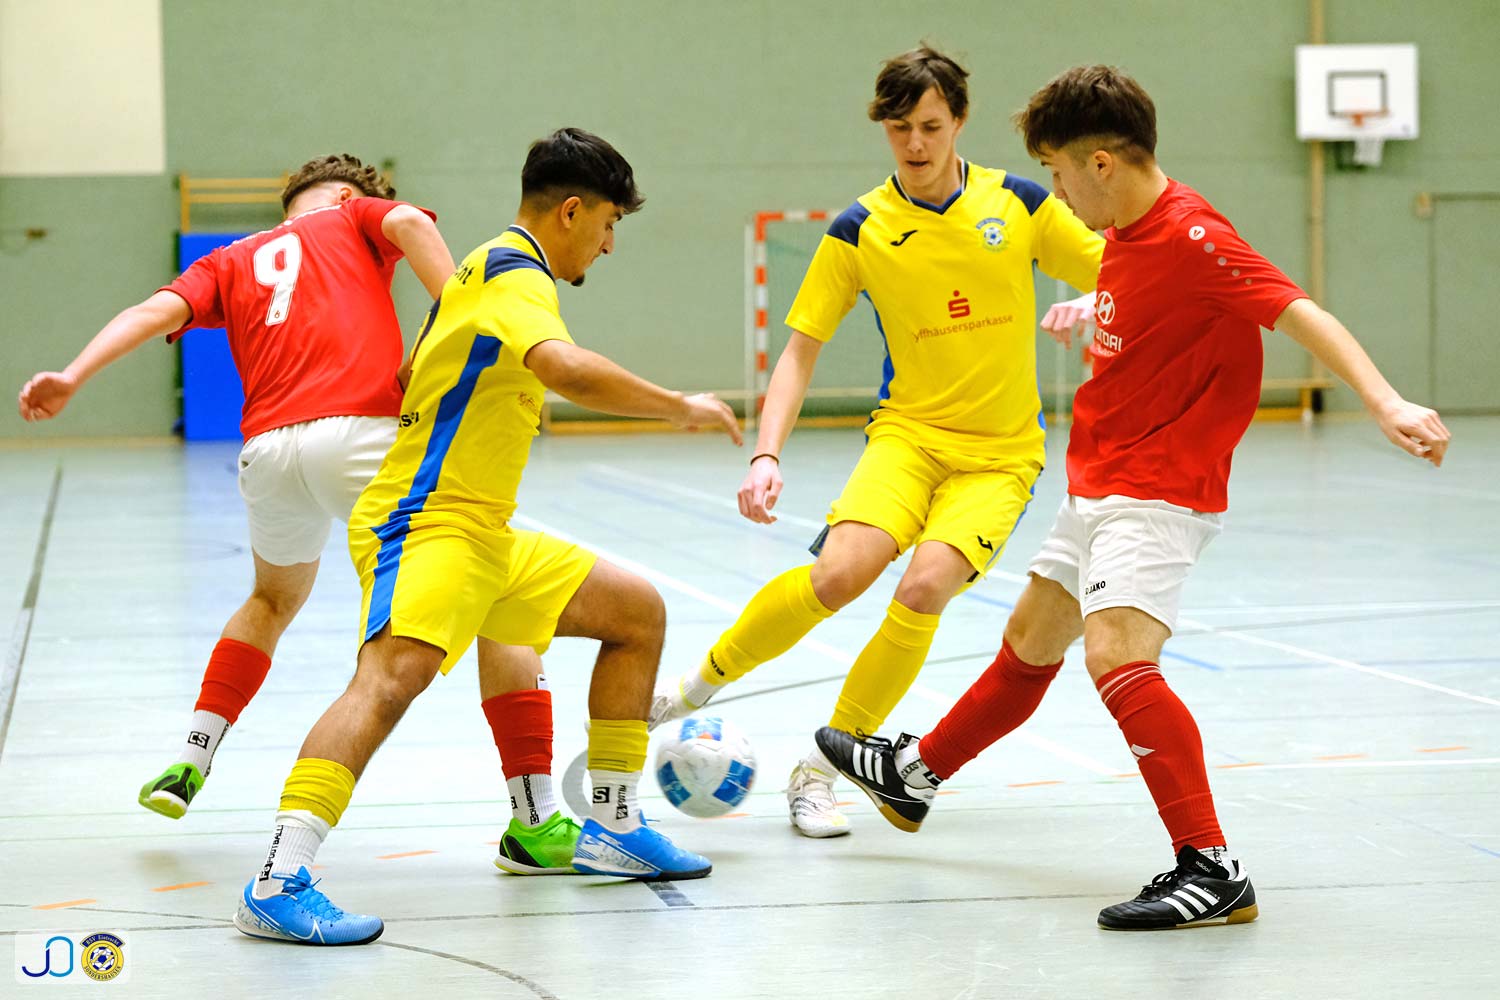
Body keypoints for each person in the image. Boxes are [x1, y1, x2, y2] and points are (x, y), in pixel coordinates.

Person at [814, 64, 1451, 929]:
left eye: (1060, 173)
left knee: (1117, 656)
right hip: (1102, 477)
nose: (1059, 194)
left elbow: (1300, 312)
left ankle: (1211, 867)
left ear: (1102, 163)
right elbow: (1150, 306)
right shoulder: (1123, 228)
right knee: (1031, 639)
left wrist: (1386, 402)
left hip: (1157, 487)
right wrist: (1095, 311)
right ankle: (916, 777)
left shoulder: (1194, 235)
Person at [233, 127, 743, 946]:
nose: (610, 244)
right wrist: (678, 406)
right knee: (388, 681)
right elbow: (563, 368)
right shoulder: (515, 272)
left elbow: (411, 374)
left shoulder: (475, 270)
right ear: (570, 211)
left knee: (635, 613)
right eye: (609, 223)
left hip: (481, 530)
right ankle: (276, 879)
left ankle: (612, 826)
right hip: (427, 522)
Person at [16, 155, 578, 876]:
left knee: (271, 599)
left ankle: (192, 757)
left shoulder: (230, 258)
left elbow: (150, 313)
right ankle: (534, 819)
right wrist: (464, 325)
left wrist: (73, 374)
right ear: (346, 195)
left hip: (268, 457)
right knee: (498, 592)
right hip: (361, 436)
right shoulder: (355, 214)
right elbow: (410, 222)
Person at [648, 46, 1104, 838]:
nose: (915, 144)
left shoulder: (1020, 203)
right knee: (837, 575)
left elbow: (1123, 270)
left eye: (930, 125)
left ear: (958, 121)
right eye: (899, 129)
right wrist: (765, 455)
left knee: (924, 587)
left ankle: (820, 772)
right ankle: (695, 687)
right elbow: (800, 350)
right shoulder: (861, 229)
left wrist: (1093, 304)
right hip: (909, 439)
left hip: (1000, 456)